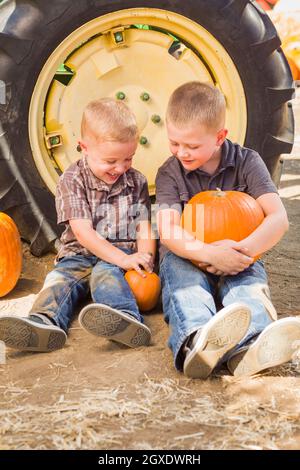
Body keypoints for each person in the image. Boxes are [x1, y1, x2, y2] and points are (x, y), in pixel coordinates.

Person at [155, 81, 300, 378]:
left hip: (240, 252)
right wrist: (209, 252)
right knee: (185, 287)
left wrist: (238, 253)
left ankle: (250, 348)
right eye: (174, 143)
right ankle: (197, 341)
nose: (181, 152)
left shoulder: (247, 162)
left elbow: (277, 218)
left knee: (248, 287)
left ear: (220, 136)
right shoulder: (170, 172)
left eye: (192, 146)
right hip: (187, 252)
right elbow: (169, 230)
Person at [0, 98, 156, 352]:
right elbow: (83, 233)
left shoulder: (136, 180)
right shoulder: (72, 180)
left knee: (106, 276)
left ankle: (125, 320)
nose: (121, 167)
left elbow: (142, 226)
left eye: (129, 158)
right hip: (80, 253)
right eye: (111, 161)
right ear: (84, 147)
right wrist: (123, 259)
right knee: (59, 280)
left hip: (119, 253)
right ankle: (43, 322)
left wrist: (145, 256)